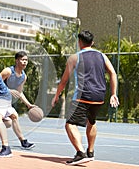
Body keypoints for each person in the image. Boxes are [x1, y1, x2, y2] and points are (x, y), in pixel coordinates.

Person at [51, 30, 119, 166]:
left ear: (79, 42)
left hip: (83, 95)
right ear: (92, 43)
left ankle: (81, 153)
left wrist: (56, 95)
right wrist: (113, 93)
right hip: (99, 95)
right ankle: (90, 152)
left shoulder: (74, 57)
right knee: (91, 122)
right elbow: (112, 73)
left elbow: (64, 81)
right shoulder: (102, 55)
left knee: (70, 124)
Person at [0, 51, 35, 149]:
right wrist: (9, 90)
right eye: (22, 60)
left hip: (5, 100)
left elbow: (19, 92)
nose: (25, 62)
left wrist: (28, 104)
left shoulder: (24, 76)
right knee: (14, 117)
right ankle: (23, 141)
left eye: (26, 60)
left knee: (9, 122)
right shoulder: (8, 71)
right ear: (16, 60)